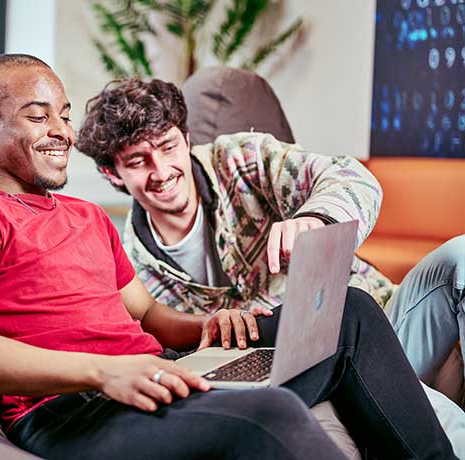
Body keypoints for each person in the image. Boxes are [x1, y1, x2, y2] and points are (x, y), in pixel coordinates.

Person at [0, 53, 456, 459]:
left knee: (351, 312)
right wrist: (104, 372)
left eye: (63, 114)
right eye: (38, 116)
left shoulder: (89, 217)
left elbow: (148, 316)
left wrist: (208, 327)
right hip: (73, 408)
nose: (60, 130)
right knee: (269, 413)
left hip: (163, 375)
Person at [75, 76, 465, 454]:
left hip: (390, 324)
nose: (161, 172)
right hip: (312, 371)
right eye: (139, 161)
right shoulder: (134, 273)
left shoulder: (242, 159)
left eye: (167, 146)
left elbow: (351, 176)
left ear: (187, 138)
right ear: (113, 173)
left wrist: (317, 218)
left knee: (460, 256)